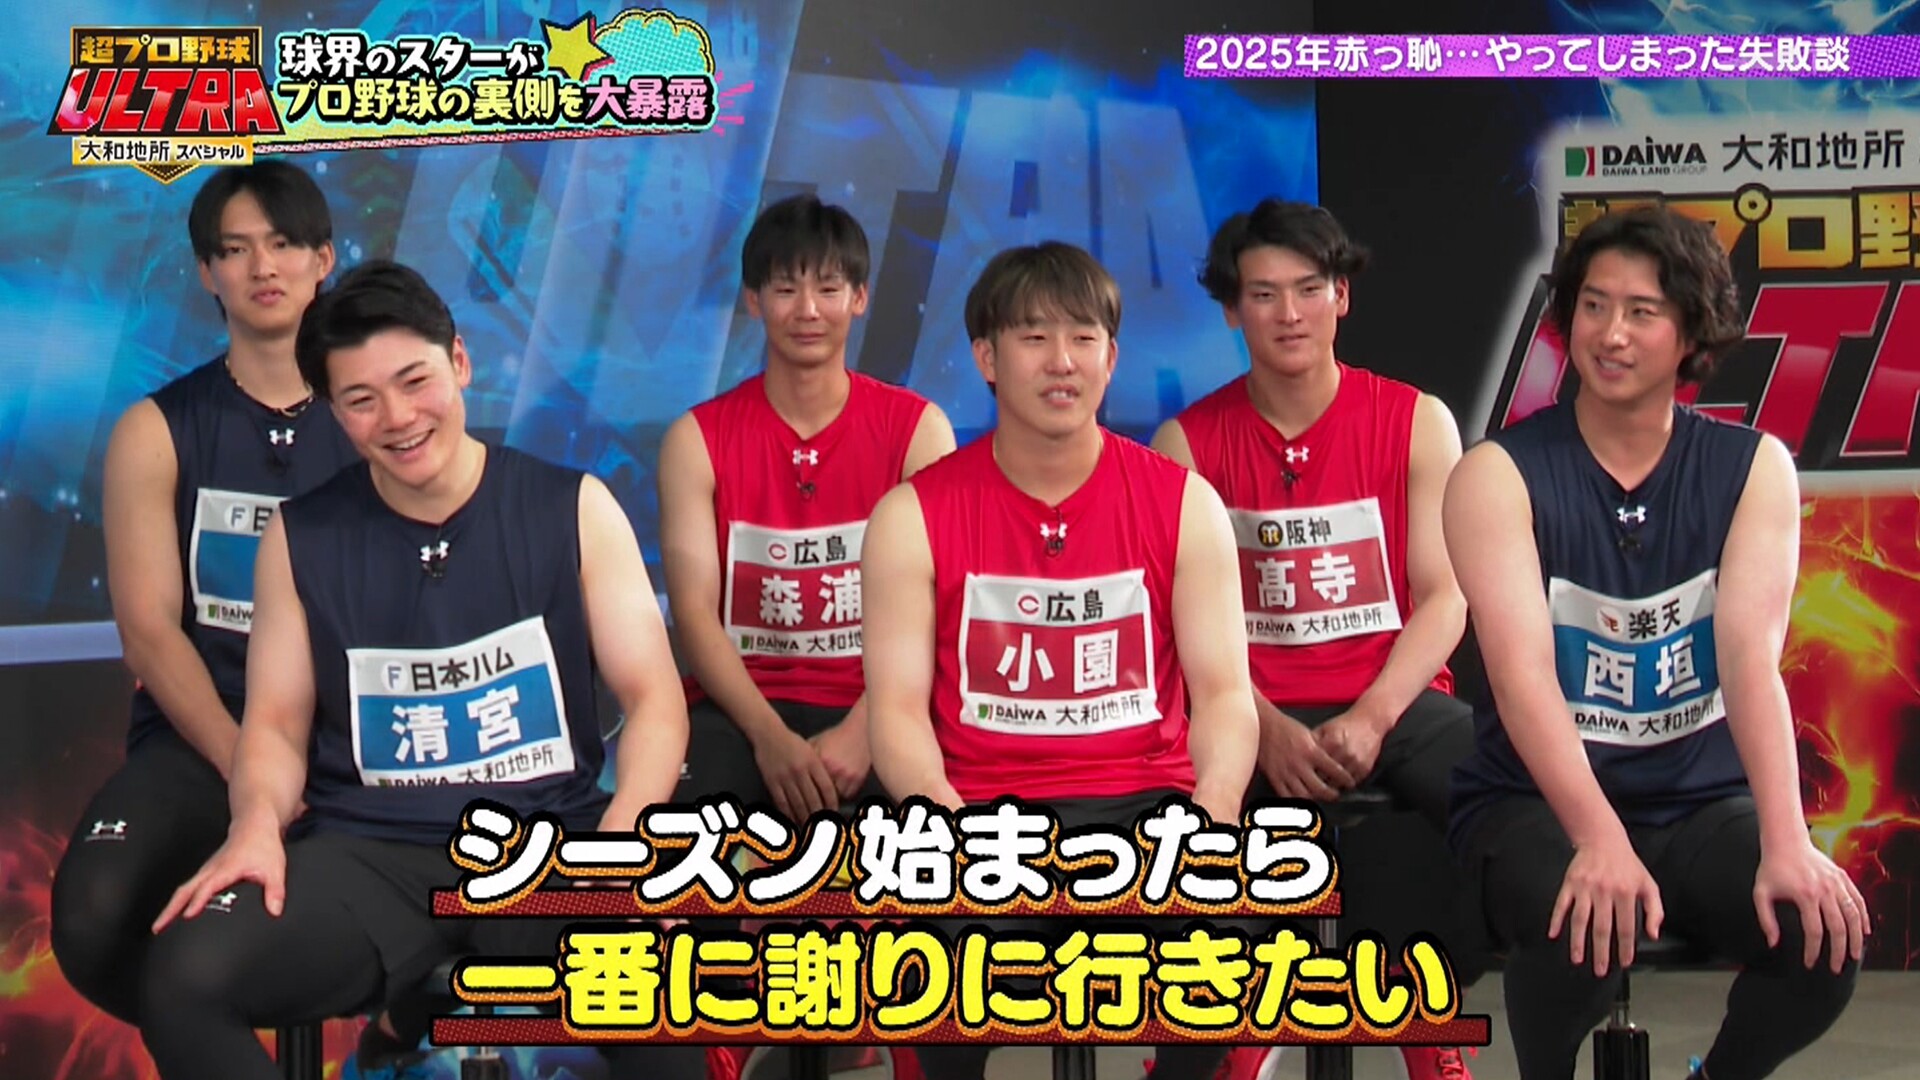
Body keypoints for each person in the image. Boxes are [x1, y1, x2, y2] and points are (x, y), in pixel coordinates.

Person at [138, 261, 705, 1080]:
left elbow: (654, 701)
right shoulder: (301, 537)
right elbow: (276, 725)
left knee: (666, 993)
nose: (399, 418)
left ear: (460, 362)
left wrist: (623, 853)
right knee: (184, 978)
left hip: (547, 844)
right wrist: (256, 823)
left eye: (415, 381)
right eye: (361, 400)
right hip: (370, 853)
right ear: (335, 412)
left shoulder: (574, 506)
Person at [1446, 206, 1866, 1080]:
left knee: (1819, 937)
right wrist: (1598, 835)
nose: (1611, 334)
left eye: (1642, 312)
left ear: (1691, 332)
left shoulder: (1752, 467)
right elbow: (1521, 677)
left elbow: (1748, 659)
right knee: (1587, 923)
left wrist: (1788, 838)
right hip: (1533, 802)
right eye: (1594, 306)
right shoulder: (1496, 474)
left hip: (1697, 802)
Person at [862, 241, 1259, 1080]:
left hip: (1146, 808)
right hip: (979, 813)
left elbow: (1226, 695)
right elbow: (895, 711)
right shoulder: (911, 515)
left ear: (1111, 358)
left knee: (1222, 958)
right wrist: (944, 821)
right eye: (1034, 338)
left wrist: (1214, 811)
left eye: (1083, 338)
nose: (1062, 361)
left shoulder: (1184, 503)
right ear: (987, 358)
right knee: (931, 974)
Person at [1153, 200, 1474, 1079]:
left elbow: (1445, 597)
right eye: (1263, 294)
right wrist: (1260, 725)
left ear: (1342, 296)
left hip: (1394, 697)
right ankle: (1227, 1031)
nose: (1289, 313)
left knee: (1507, 805)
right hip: (1244, 706)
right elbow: (1180, 631)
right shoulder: (1186, 443)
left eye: (1308, 289)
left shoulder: (1417, 419)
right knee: (1181, 835)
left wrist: (1372, 716)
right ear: (1232, 310)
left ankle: (1425, 1011)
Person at [51, 161, 356, 1027]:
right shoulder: (155, 429)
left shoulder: (378, 421)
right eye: (235, 249)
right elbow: (150, 634)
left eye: (284, 244)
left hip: (359, 739)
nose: (263, 267)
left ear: (323, 258)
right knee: (94, 919)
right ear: (206, 272)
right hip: (202, 735)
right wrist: (246, 769)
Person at [661, 193, 954, 821]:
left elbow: (942, 606)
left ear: (860, 297)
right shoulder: (696, 440)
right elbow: (693, 612)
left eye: (828, 288)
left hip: (882, 702)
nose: (808, 310)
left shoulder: (918, 430)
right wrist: (768, 738)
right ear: (753, 300)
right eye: (785, 289)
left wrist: (866, 729)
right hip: (738, 710)